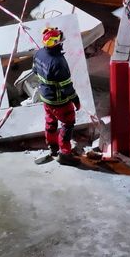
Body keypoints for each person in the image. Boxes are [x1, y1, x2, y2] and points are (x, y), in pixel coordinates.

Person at [33, 27, 81, 165]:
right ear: (55, 43)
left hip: (46, 98)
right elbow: (66, 87)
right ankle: (65, 154)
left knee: (50, 123)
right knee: (67, 124)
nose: (62, 43)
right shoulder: (58, 62)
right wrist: (76, 100)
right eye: (60, 41)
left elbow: (35, 71)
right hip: (60, 101)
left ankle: (52, 148)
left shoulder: (38, 54)